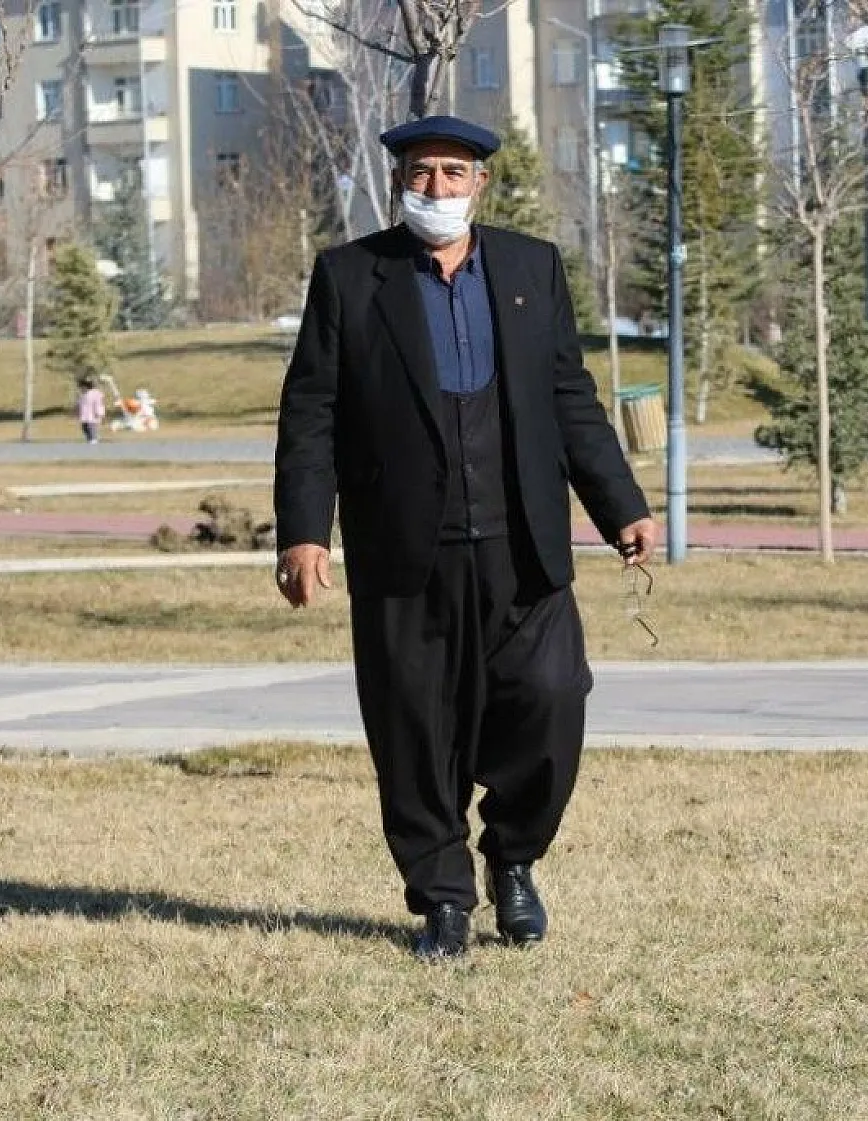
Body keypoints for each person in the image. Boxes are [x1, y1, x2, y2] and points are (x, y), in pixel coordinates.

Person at [274, 115, 657, 962]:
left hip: (524, 545)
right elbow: (311, 412)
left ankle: (513, 857)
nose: (436, 188)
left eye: (453, 173)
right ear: (399, 182)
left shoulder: (530, 267)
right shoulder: (351, 276)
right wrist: (305, 532)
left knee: (552, 699)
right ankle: (443, 898)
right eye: (421, 173)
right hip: (405, 549)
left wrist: (619, 502)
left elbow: (570, 399)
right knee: (415, 728)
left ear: (481, 183)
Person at [77, 377, 105, 443]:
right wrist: (77, 412)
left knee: (93, 434)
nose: (81, 388)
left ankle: (94, 444)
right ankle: (90, 444)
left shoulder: (95, 394)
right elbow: (79, 405)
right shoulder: (82, 395)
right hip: (84, 418)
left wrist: (99, 413)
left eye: (82, 386)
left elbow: (99, 404)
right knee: (87, 433)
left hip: (93, 418)